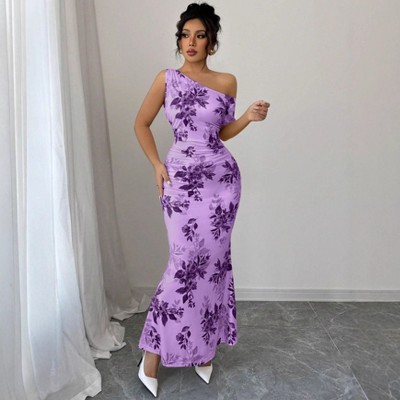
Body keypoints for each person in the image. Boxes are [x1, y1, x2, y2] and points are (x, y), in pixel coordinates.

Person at [134, 3, 270, 397]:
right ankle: (151, 355)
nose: (190, 42)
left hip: (221, 182)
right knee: (184, 265)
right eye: (185, 35)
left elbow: (220, 133)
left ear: (211, 42)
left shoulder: (227, 81)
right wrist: (156, 164)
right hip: (180, 180)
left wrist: (246, 118)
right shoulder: (167, 79)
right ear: (179, 41)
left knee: (213, 265)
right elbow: (141, 123)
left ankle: (203, 349)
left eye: (199, 35)